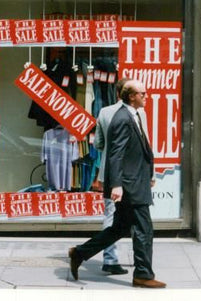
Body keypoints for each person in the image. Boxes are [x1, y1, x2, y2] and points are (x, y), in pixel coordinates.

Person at [69, 79, 165, 288]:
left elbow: (143, 147)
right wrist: (117, 185)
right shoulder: (122, 118)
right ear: (131, 96)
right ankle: (143, 274)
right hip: (129, 184)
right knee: (144, 228)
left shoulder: (136, 114)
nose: (146, 96)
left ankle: (79, 253)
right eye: (143, 93)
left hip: (136, 180)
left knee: (119, 227)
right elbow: (115, 154)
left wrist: (149, 173)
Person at [89, 77, 132, 275]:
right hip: (131, 173)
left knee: (110, 214)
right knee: (137, 216)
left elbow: (98, 143)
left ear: (116, 93)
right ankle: (138, 259)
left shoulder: (105, 112)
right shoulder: (137, 113)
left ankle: (110, 258)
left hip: (107, 172)